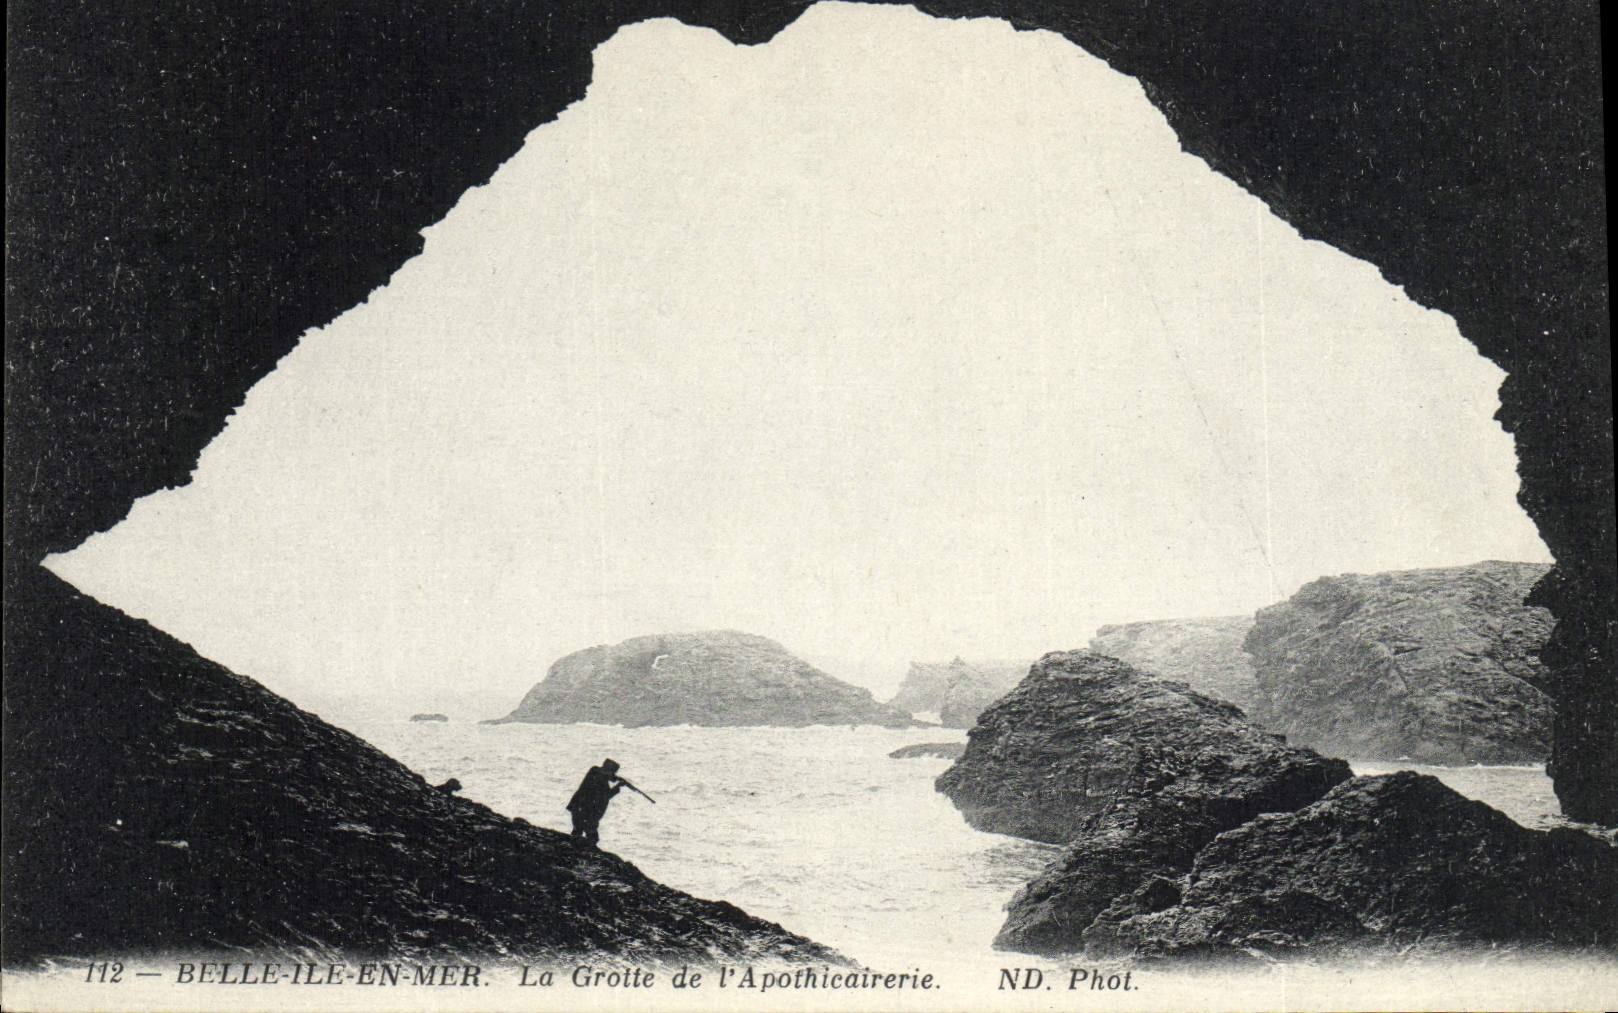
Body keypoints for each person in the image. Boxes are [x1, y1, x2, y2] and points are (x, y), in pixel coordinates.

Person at [565, 758, 623, 846]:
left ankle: (575, 847)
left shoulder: (594, 771)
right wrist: (617, 787)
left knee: (578, 831)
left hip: (579, 807)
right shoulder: (602, 781)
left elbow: (603, 775)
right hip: (587, 812)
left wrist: (614, 778)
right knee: (590, 835)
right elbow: (605, 796)